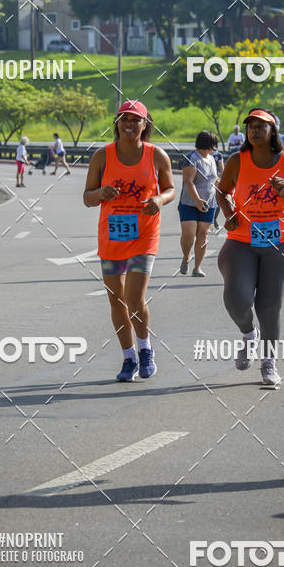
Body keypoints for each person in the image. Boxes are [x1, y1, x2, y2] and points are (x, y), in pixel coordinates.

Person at [216, 108, 284, 385]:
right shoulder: (238, 161)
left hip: (281, 244)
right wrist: (229, 214)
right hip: (242, 242)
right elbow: (222, 191)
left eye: (262, 125)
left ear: (274, 131)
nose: (254, 130)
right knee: (237, 299)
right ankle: (249, 335)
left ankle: (269, 362)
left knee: (269, 306)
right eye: (251, 126)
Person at [83, 99, 175, 381]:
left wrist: (158, 199)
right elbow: (87, 198)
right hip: (112, 235)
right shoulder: (102, 156)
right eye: (124, 119)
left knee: (135, 297)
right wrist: (101, 194)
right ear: (117, 124)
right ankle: (128, 358)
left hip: (145, 233)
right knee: (116, 300)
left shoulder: (156, 155)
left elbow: (171, 189)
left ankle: (146, 349)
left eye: (135, 120)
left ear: (145, 125)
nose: (129, 124)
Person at [179, 131, 219, 277]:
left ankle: (197, 268)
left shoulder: (212, 159)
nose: (215, 149)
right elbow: (188, 181)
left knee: (202, 234)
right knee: (189, 234)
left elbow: (213, 179)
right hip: (189, 203)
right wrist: (197, 201)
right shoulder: (191, 158)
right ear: (206, 144)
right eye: (213, 145)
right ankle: (186, 257)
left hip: (209, 203)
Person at [211, 132, 224, 232]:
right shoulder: (202, 154)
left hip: (215, 182)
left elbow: (222, 169)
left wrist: (221, 180)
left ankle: (214, 219)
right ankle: (206, 222)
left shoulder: (218, 155)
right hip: (204, 182)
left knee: (218, 202)